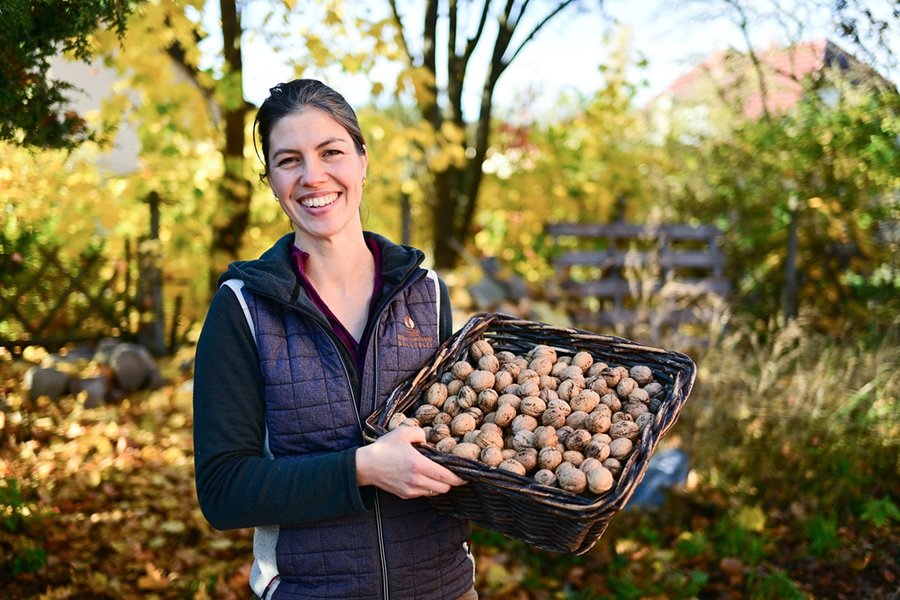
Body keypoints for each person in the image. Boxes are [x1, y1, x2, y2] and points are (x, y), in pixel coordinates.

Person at [192, 79, 476, 600]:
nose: (313, 176)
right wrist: (361, 468)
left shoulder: (427, 292)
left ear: (363, 160)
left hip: (445, 589)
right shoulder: (241, 309)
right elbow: (223, 491)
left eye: (331, 152)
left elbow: (459, 436)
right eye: (289, 160)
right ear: (271, 180)